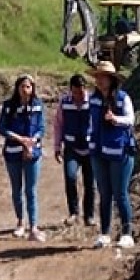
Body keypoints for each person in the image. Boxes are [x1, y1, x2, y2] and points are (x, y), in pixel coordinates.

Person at [87, 61, 136, 249]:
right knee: (104, 193)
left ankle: (126, 233)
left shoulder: (123, 99)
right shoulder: (93, 99)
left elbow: (130, 120)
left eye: (102, 76)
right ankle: (105, 233)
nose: (98, 80)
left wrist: (115, 119)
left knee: (120, 193)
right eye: (97, 76)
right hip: (99, 152)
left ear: (111, 79)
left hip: (120, 152)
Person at [0, 73, 46, 242]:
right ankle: (20, 222)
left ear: (33, 89)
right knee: (16, 189)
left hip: (32, 153)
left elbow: (41, 128)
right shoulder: (8, 106)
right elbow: (1, 128)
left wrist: (33, 140)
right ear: (17, 88)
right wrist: (19, 139)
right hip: (13, 153)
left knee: (30, 190)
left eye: (28, 87)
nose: (25, 90)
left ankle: (33, 226)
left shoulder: (38, 106)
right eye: (22, 86)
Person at [53, 74, 95, 227]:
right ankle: (73, 213)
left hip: (90, 149)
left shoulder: (92, 102)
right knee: (70, 178)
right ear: (71, 90)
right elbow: (58, 125)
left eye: (81, 91)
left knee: (90, 183)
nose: (78, 95)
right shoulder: (64, 103)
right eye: (76, 92)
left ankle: (89, 215)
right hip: (71, 148)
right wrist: (57, 147)